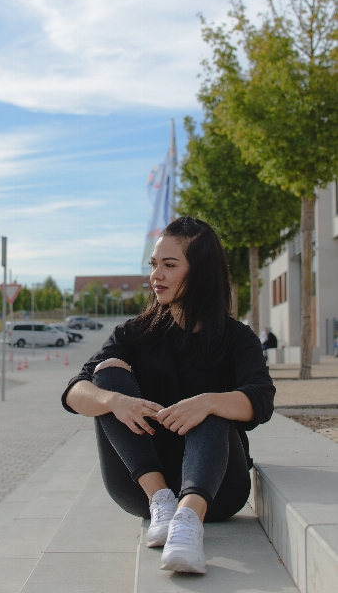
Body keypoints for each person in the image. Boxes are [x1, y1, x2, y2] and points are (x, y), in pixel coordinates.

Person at [61, 217, 275, 574]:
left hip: (219, 490)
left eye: (170, 265)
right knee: (107, 374)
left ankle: (188, 522)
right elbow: (74, 392)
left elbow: (262, 399)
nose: (156, 275)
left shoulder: (237, 338)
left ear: (201, 272)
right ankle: (163, 500)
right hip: (141, 492)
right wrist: (113, 400)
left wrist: (208, 402)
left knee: (212, 405)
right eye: (154, 264)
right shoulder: (134, 333)